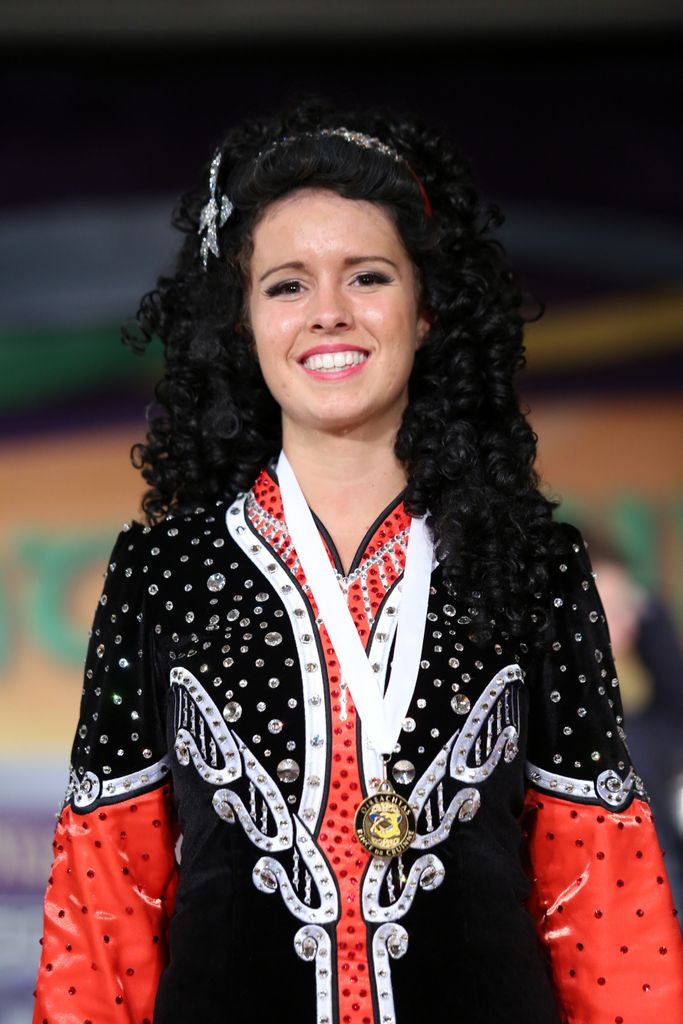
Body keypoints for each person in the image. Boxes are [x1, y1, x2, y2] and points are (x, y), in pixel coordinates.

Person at [33, 102, 683, 1024]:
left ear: (425, 310)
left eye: (367, 276)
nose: (328, 313)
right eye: (285, 285)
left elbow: (605, 900)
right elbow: (103, 901)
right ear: (242, 323)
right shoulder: (159, 572)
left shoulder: (534, 567)